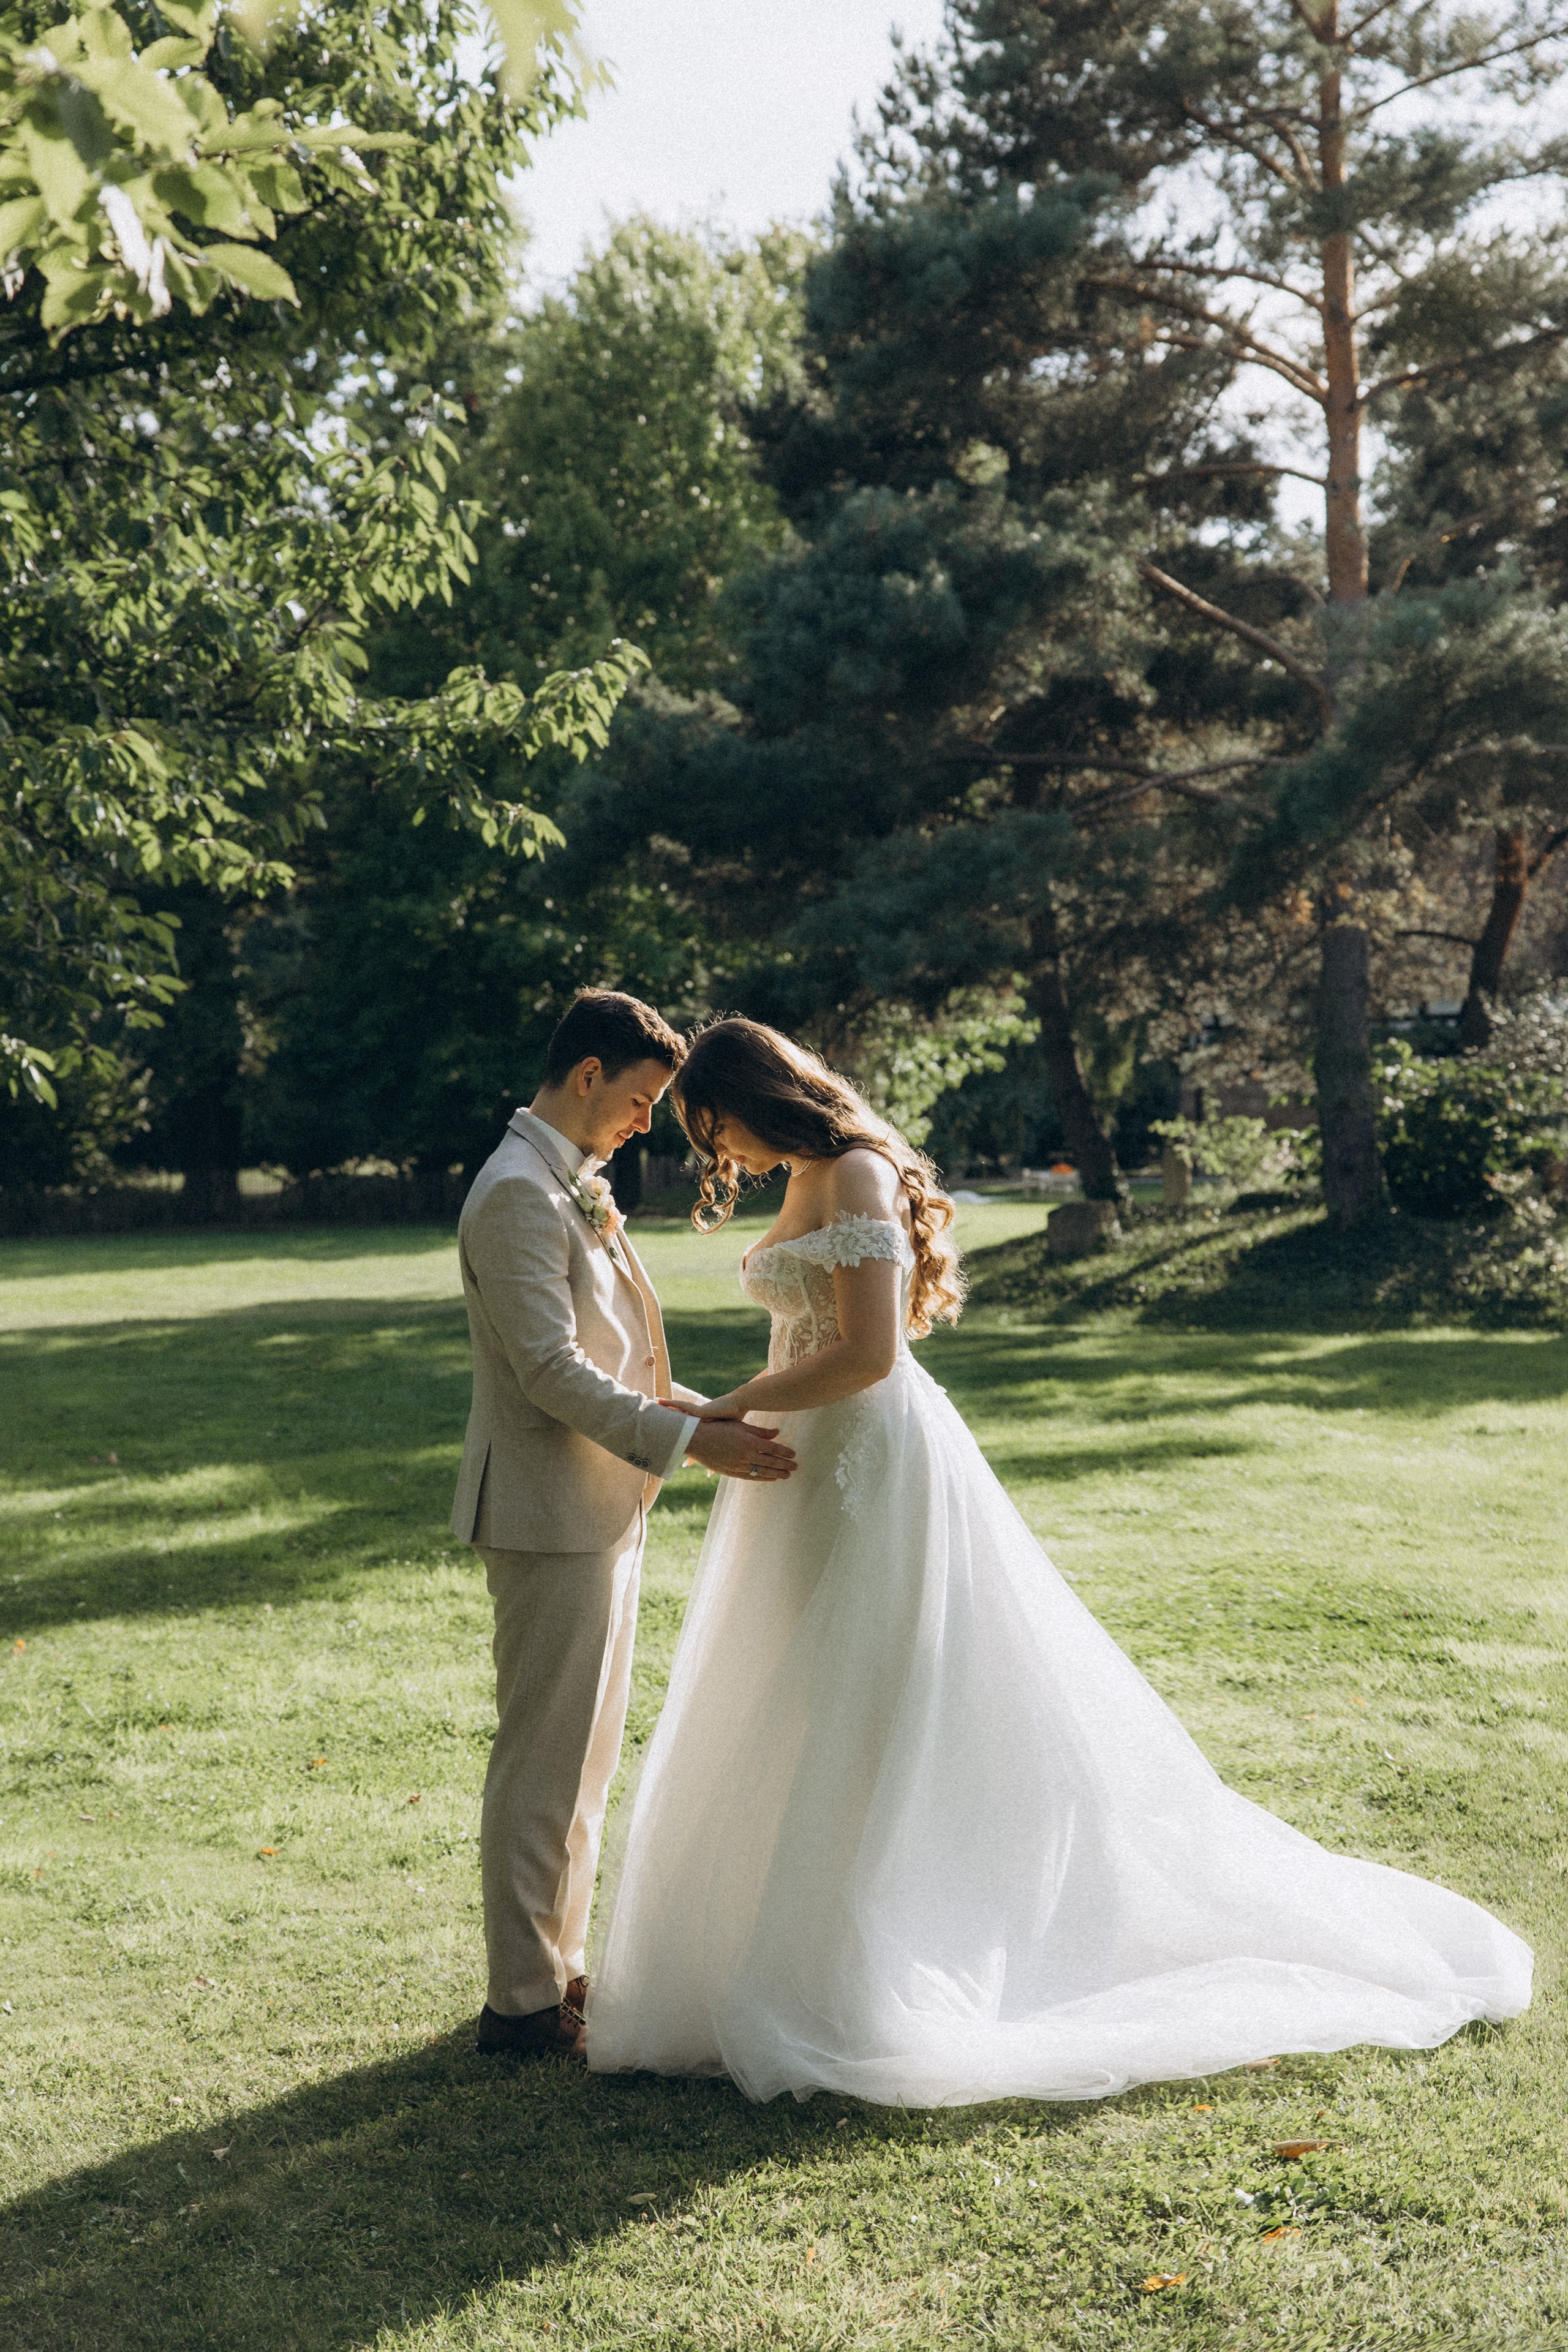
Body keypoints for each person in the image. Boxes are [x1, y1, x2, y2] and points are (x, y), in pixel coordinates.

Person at [587, 1016, 1531, 2104]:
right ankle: (778, 1940)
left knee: (884, 1687)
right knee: (801, 1689)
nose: (720, 1157)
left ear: (752, 1097)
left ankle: (886, 1954)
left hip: (867, 1455)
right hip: (797, 1461)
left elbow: (869, 1352)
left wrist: (726, 1409)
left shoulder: (854, 1171)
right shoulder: (807, 1169)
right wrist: (735, 1416)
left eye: (715, 1130)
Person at [450, 991, 796, 2062]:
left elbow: (617, 1364)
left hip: (602, 1503)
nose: (650, 1125)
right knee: (544, 1762)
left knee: (586, 1760)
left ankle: (557, 1972)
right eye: (642, 1101)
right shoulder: (517, 1193)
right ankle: (518, 2004)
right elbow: (552, 1373)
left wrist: (703, 1409)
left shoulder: (568, 1186)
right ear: (588, 1074)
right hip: (550, 1512)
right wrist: (693, 1444)